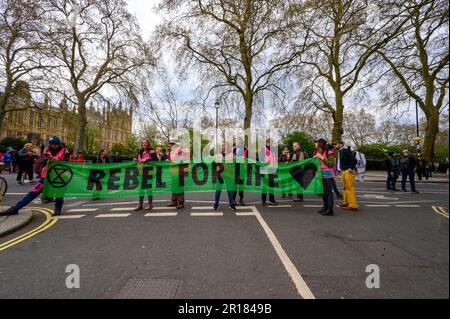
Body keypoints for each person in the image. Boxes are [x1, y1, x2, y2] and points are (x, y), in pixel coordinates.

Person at [0, 136, 70, 217]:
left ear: (59, 144)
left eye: (55, 144)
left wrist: (55, 160)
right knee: (33, 192)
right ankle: (16, 208)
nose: (54, 146)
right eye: (52, 144)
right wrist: (44, 159)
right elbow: (42, 162)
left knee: (59, 194)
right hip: (46, 177)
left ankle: (58, 209)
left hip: (59, 177)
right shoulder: (47, 151)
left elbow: (67, 164)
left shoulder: (65, 151)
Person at [134, 139, 158, 211]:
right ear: (141, 144)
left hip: (149, 172)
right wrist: (135, 159)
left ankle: (150, 204)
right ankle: (140, 204)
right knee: (141, 189)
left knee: (148, 188)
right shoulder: (140, 152)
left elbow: (156, 160)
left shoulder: (151, 151)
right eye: (143, 143)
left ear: (148, 144)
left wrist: (148, 160)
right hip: (141, 172)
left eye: (146, 143)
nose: (144, 144)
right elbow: (138, 161)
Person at [335, 141, 359, 211]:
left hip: (348, 171)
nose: (334, 145)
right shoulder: (341, 151)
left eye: (335, 144)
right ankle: (346, 202)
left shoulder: (345, 150)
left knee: (349, 188)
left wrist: (350, 168)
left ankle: (353, 205)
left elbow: (354, 160)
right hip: (344, 170)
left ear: (340, 144)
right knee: (345, 188)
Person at [314, 139, 335, 216]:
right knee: (323, 192)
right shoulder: (318, 152)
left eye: (317, 143)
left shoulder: (329, 153)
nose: (315, 145)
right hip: (321, 175)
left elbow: (331, 164)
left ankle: (330, 209)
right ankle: (325, 207)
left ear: (321, 144)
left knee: (328, 192)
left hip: (328, 176)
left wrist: (322, 157)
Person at [213, 142, 237, 211]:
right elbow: (215, 163)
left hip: (228, 175)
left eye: (224, 145)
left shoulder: (231, 155)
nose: (223, 146)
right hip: (220, 175)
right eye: (222, 145)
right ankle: (216, 204)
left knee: (230, 190)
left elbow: (234, 163)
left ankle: (231, 204)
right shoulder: (218, 154)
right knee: (218, 189)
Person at [167, 139, 189, 209]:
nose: (170, 145)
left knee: (179, 187)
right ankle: (174, 201)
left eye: (171, 144)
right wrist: (167, 156)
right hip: (174, 171)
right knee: (174, 186)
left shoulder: (180, 151)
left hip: (180, 171)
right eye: (170, 144)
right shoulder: (172, 151)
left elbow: (181, 160)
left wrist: (186, 170)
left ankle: (181, 202)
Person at [259, 138, 277, 207]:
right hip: (264, 170)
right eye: (272, 142)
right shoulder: (263, 149)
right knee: (264, 186)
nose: (272, 143)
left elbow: (274, 159)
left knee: (271, 185)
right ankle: (263, 201)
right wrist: (265, 162)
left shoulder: (272, 149)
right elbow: (260, 160)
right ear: (268, 142)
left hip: (271, 170)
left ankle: (271, 200)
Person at [231, 137, 248, 206]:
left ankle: (241, 199)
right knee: (234, 184)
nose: (238, 142)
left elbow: (249, 157)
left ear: (241, 142)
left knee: (241, 184)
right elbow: (229, 157)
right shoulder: (233, 149)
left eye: (239, 141)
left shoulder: (245, 149)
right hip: (235, 168)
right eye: (237, 141)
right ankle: (233, 199)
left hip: (242, 169)